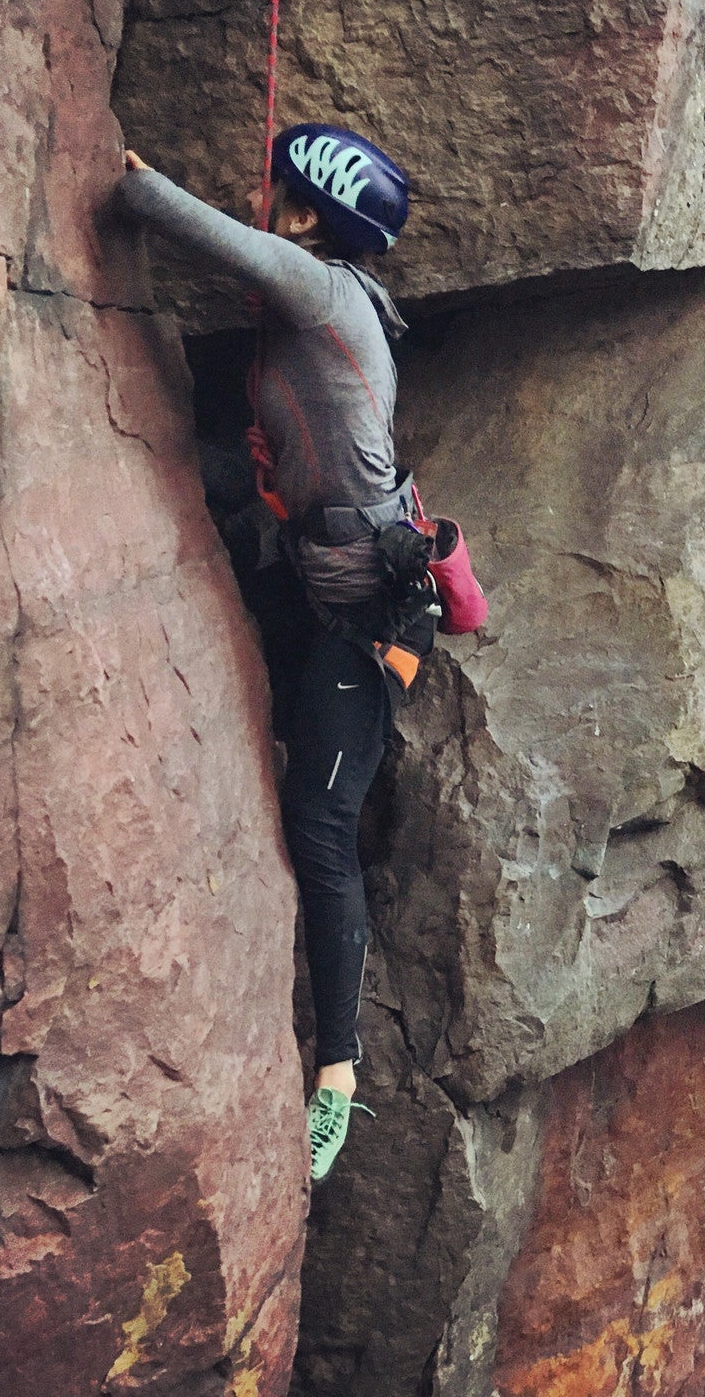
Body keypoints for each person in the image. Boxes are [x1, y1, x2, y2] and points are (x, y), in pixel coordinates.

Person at [119, 126, 425, 1183]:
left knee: (321, 822)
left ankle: (335, 1077)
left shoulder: (321, 290)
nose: (263, 197)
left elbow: (165, 212)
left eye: (280, 190)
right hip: (312, 576)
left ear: (307, 215)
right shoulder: (334, 293)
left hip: (365, 618)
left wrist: (111, 164)